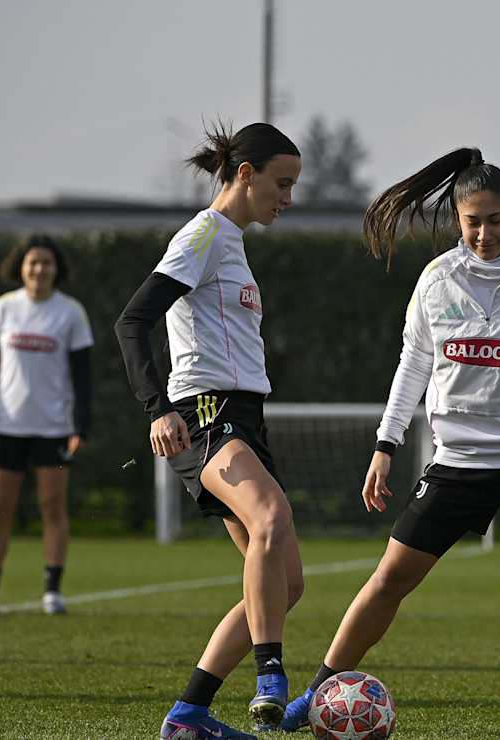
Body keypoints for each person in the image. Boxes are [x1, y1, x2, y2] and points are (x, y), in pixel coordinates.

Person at [277, 148, 500, 739]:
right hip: (460, 460)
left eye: (494, 220)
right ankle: (318, 688)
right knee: (390, 578)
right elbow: (413, 366)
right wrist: (385, 444)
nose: (482, 233)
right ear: (456, 218)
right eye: (471, 221)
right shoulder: (435, 280)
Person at [114, 121, 305, 740]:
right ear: (244, 175)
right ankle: (270, 675)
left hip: (243, 418)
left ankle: (189, 713)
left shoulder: (232, 242)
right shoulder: (203, 234)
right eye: (282, 183)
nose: (288, 197)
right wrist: (156, 408)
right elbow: (131, 321)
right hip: (206, 413)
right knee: (271, 519)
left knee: (284, 582)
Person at [0, 235, 93, 617]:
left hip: (53, 428)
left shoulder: (70, 313)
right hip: (6, 427)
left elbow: (82, 377)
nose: (39, 269)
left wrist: (80, 426)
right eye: (33, 262)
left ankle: (52, 591)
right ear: (20, 266)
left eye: (46, 263)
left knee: (53, 507)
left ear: (57, 269)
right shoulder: (2, 309)